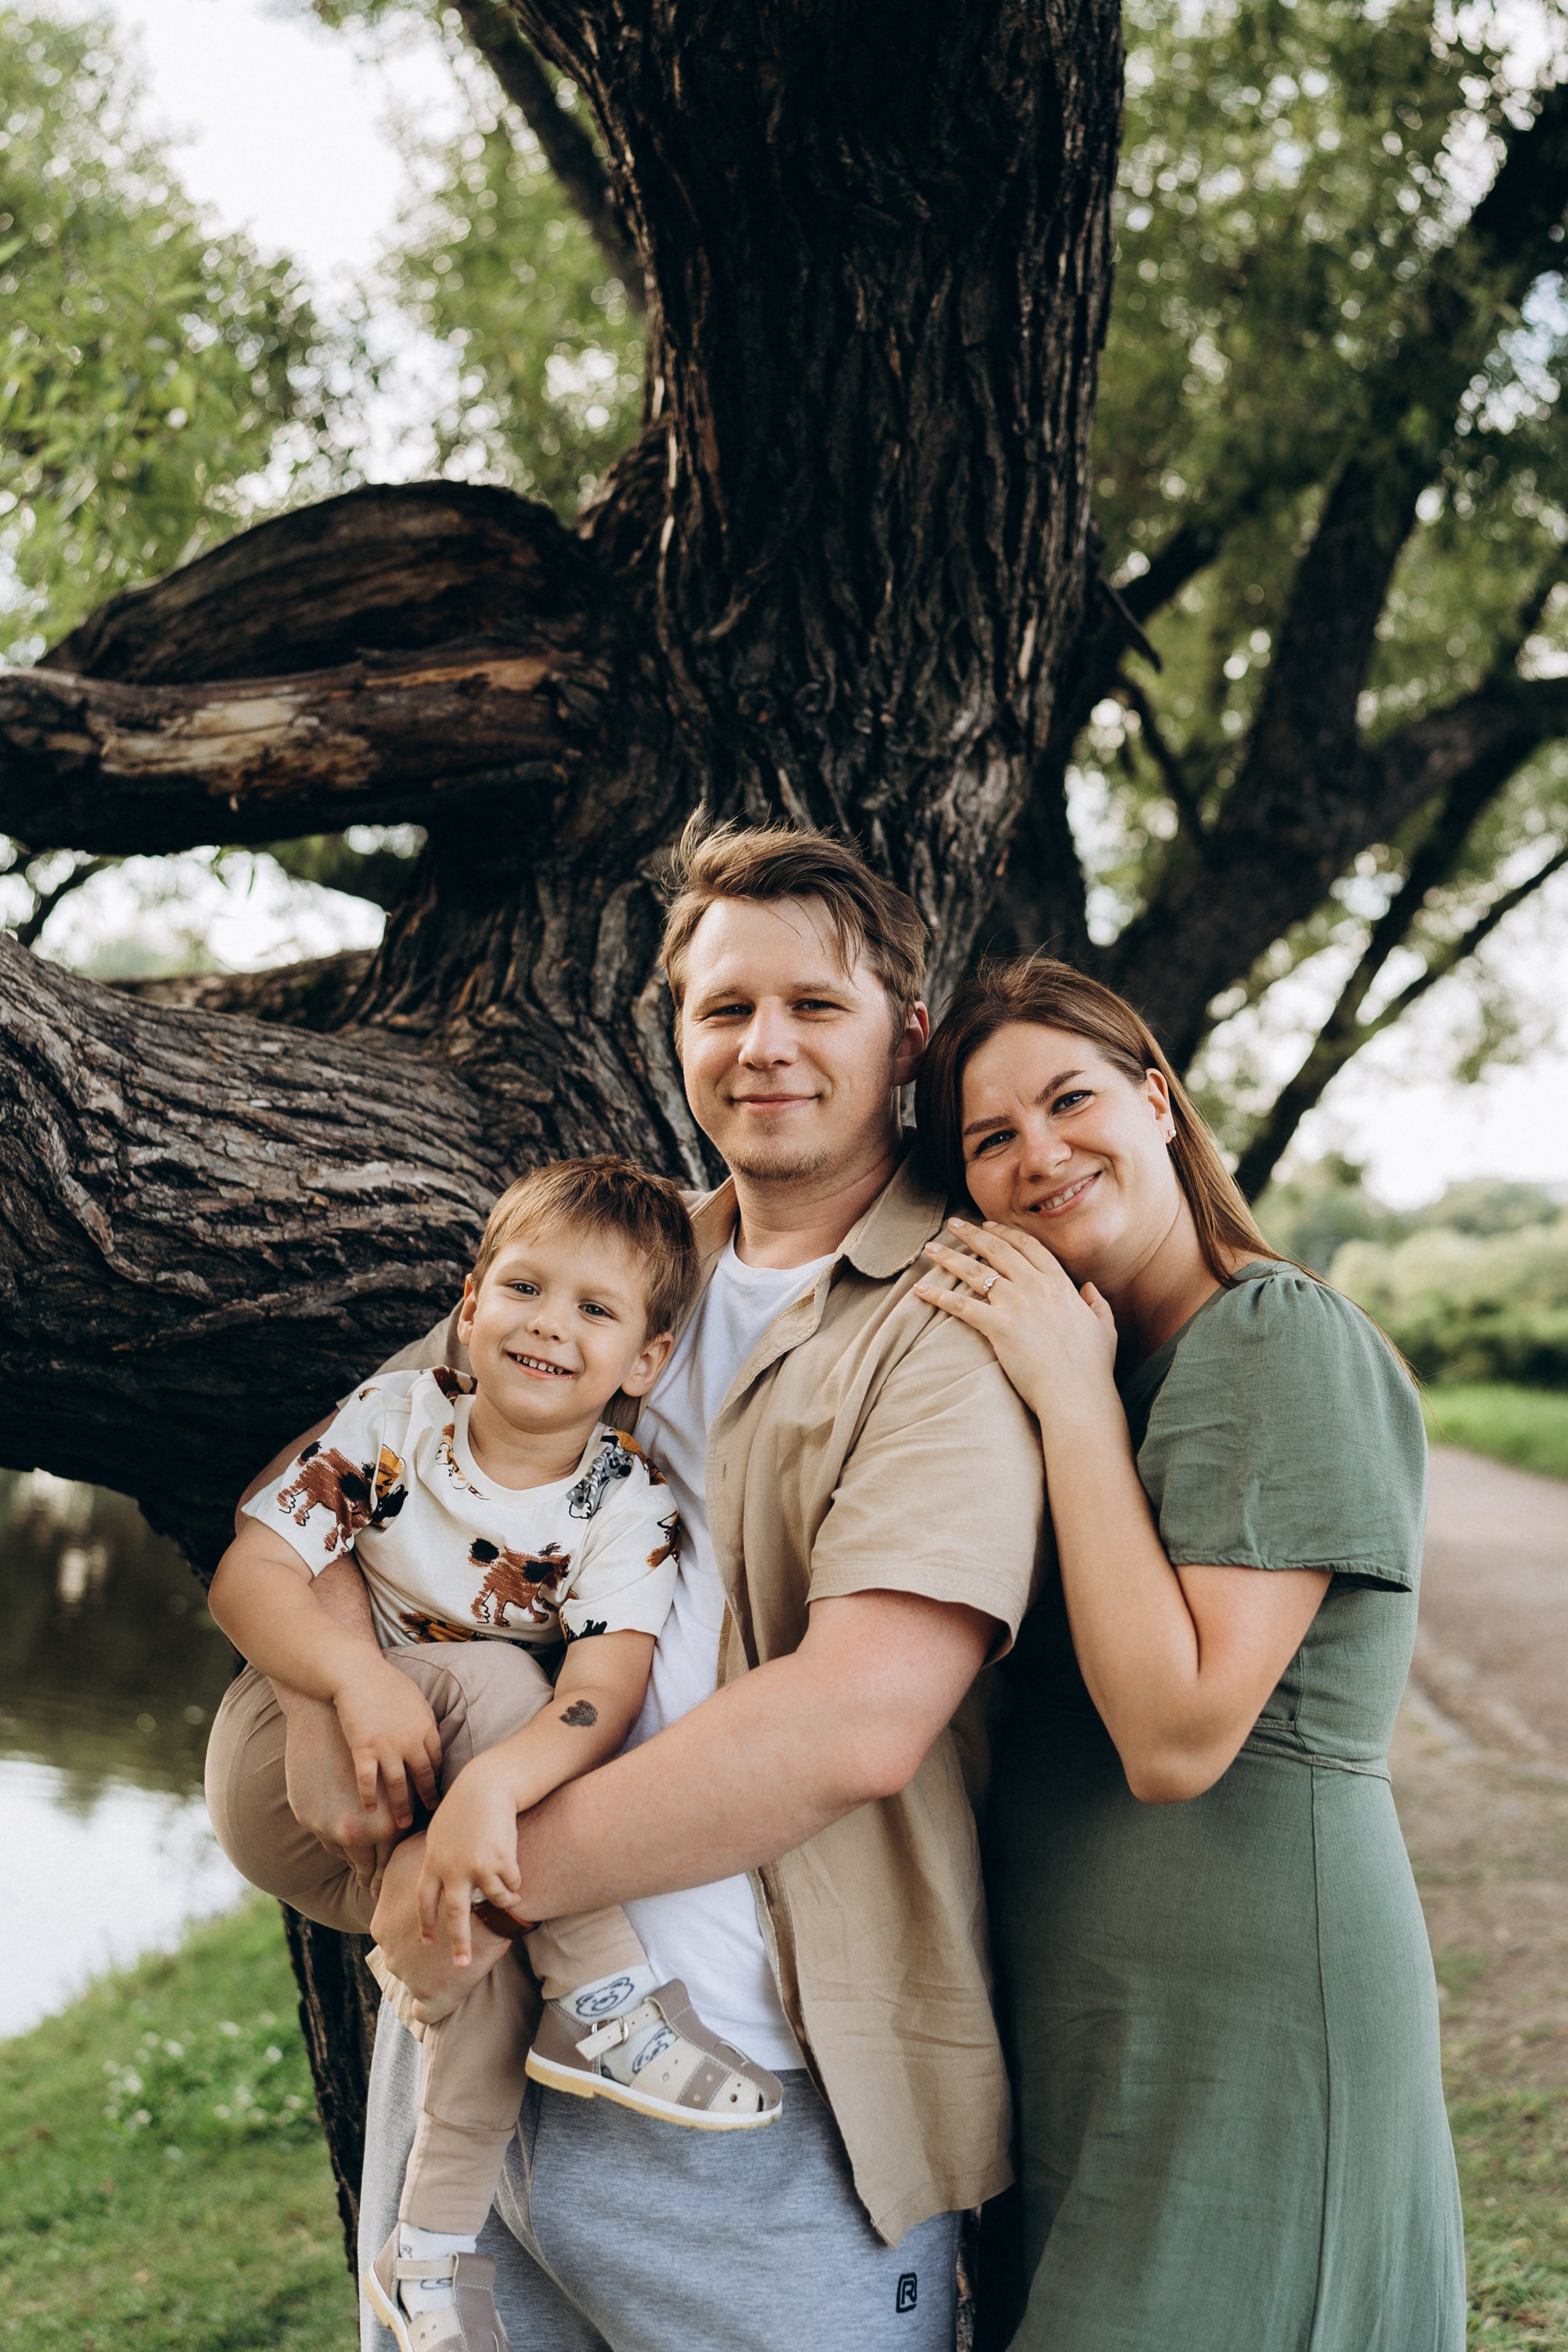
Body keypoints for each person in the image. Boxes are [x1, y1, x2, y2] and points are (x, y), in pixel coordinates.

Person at [217, 822, 1047, 2352]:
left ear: (908, 1038)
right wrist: (335, 1673)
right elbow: (329, 1476)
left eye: (817, 1005)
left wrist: (457, 1877)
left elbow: (853, 1723)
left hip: (765, 2100)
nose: (764, 1046)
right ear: (676, 1033)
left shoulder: (957, 1317)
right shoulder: (621, 1267)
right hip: (476, 2062)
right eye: (723, 1007)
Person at [912, 955, 1466, 2352]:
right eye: (989, 1138)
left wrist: (1071, 1402)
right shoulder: (1103, 1358)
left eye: (1069, 1099)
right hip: (1095, 2018)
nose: (1038, 1154)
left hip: (1254, 2007)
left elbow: (1174, 1736)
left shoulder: (1270, 1337)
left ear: (1156, 1103)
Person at [207, 1156, 783, 2352]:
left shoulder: (628, 1508)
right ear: (468, 1307)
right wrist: (350, 1682)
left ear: (645, 1362)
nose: (549, 1326)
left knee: (489, 1973)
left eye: (594, 1309)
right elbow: (251, 1576)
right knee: (485, 1674)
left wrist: (494, 1789)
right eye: (525, 1288)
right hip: (287, 1756)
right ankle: (614, 2001)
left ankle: (424, 2265)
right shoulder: (396, 1431)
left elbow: (602, 1689)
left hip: (426, 1808)